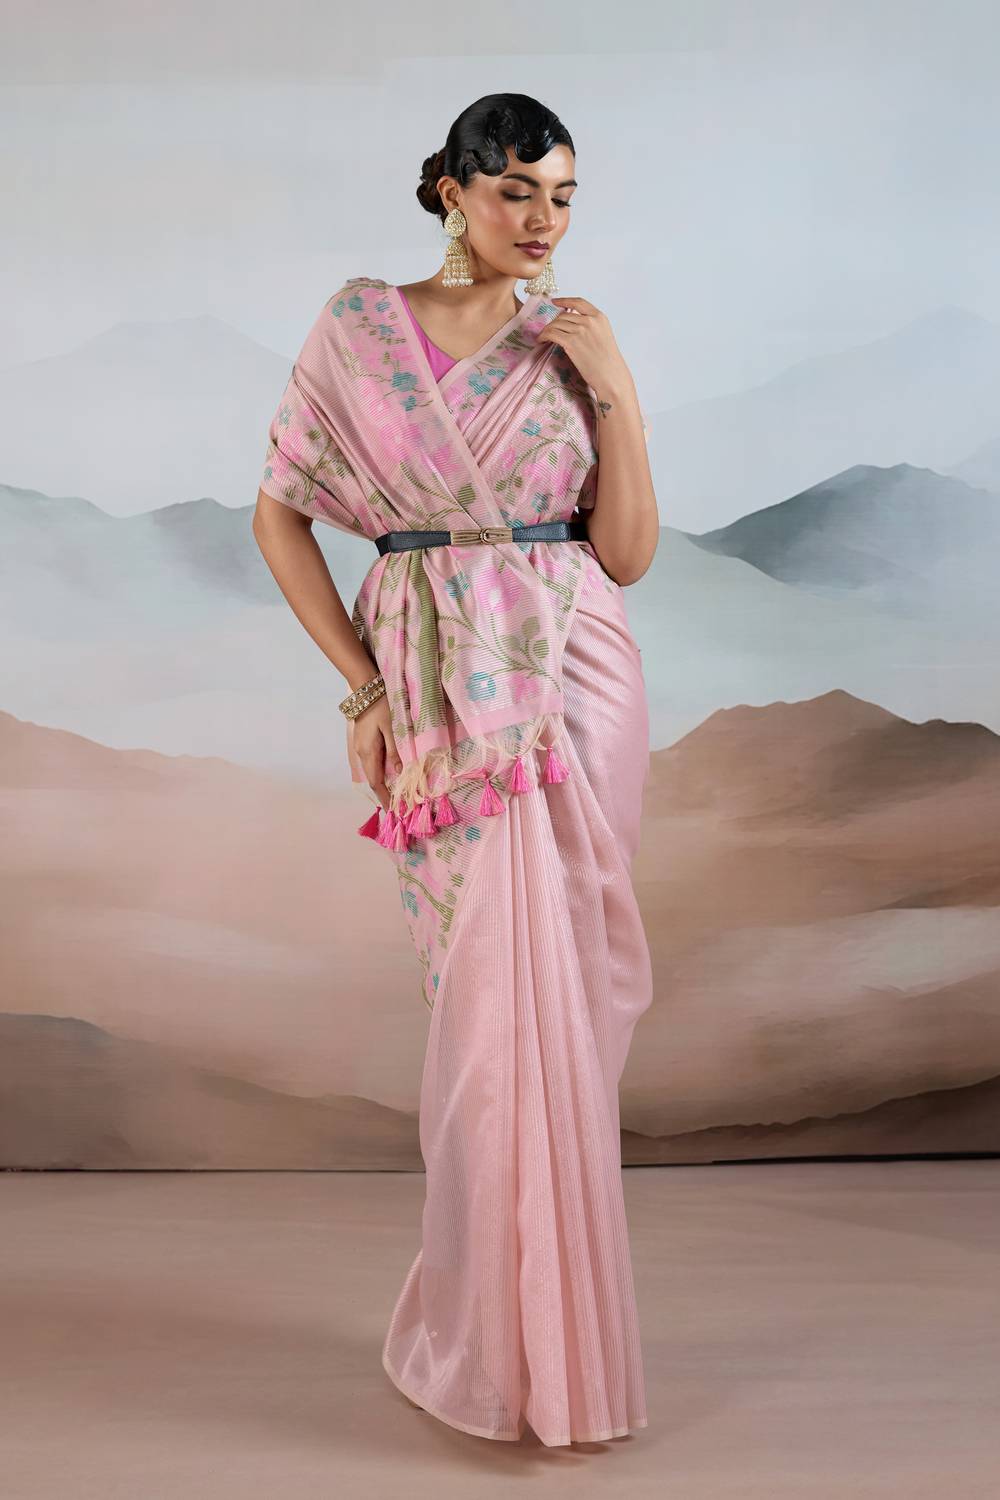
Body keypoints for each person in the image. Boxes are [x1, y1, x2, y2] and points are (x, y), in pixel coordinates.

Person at [252, 92, 659, 1447]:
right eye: (517, 192)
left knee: (570, 1003)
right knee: (485, 1017)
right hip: (436, 696)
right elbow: (279, 515)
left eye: (564, 197)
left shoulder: (571, 340)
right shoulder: (361, 331)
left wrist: (616, 385)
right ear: (452, 191)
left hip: (576, 674)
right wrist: (362, 686)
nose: (543, 222)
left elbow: (627, 552)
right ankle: (493, 1342)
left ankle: (560, 1352)